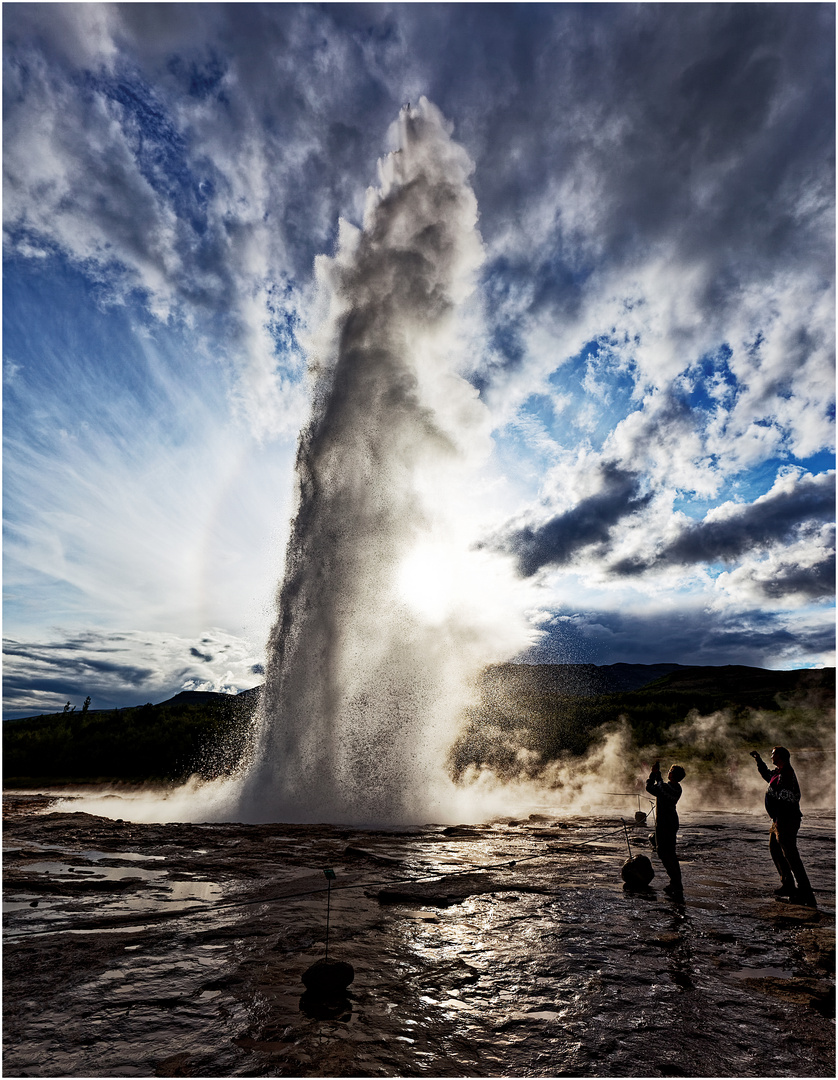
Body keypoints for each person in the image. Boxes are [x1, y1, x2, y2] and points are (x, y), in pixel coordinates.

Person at [750, 746, 816, 907]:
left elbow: (787, 799)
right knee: (775, 849)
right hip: (778, 820)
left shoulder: (786, 774)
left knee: (791, 856)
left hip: (786, 820)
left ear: (780, 756)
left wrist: (779, 818)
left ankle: (805, 893)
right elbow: (767, 775)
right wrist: (759, 760)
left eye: (773, 754)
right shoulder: (779, 772)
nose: (771, 756)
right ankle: (788, 884)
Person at [646, 761, 686, 900]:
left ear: (672, 775)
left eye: (670, 771)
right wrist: (658, 776)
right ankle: (676, 883)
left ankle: (676, 883)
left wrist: (653, 774)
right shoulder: (678, 788)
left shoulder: (667, 788)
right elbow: (660, 786)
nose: (668, 772)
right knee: (671, 854)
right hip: (671, 823)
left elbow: (650, 788)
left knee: (665, 854)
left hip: (664, 824)